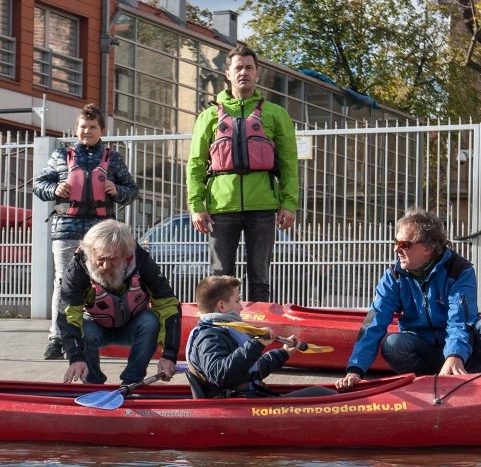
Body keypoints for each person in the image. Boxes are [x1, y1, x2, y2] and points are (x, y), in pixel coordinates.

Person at [336, 207, 481, 392]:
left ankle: (470, 380)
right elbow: (374, 323)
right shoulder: (394, 277)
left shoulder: (459, 271)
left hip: (461, 355)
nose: (396, 249)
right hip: (422, 350)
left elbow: (459, 320)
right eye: (396, 242)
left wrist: (454, 355)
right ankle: (424, 387)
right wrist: (355, 370)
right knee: (392, 344)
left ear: (428, 247)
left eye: (404, 245)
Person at [186, 44, 299, 302]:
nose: (243, 72)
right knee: (220, 279)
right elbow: (194, 164)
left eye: (249, 67)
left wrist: (289, 204)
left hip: (262, 208)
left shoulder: (275, 115)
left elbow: (289, 165)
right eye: (238, 67)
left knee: (260, 277)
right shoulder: (208, 117)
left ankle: (259, 334)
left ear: (257, 73)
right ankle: (220, 333)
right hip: (221, 208)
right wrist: (196, 204)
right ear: (227, 74)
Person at [33, 103, 139, 361]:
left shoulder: (112, 158)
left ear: (101, 130)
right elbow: (39, 184)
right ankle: (58, 337)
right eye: (83, 127)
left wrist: (117, 190)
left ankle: (99, 333)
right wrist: (54, 190)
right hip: (67, 229)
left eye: (92, 127)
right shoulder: (61, 155)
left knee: (104, 280)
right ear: (76, 129)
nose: (87, 131)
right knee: (63, 283)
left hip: (100, 232)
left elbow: (132, 190)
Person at [58, 219, 181, 385]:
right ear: (90, 252)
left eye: (114, 259)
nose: (106, 265)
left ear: (127, 256)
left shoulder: (142, 262)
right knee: (83, 328)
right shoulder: (76, 269)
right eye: (100, 258)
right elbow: (68, 314)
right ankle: (92, 383)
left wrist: (169, 355)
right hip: (96, 328)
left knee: (150, 321)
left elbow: (168, 305)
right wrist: (75, 357)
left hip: (133, 327)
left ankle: (132, 381)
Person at [186, 275, 337, 398]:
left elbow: (249, 372)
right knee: (324, 396)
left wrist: (283, 353)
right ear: (222, 306)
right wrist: (256, 345)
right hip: (240, 406)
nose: (241, 307)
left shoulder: (222, 331)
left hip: (249, 401)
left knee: (323, 393)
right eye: (237, 301)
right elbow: (221, 374)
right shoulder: (209, 336)